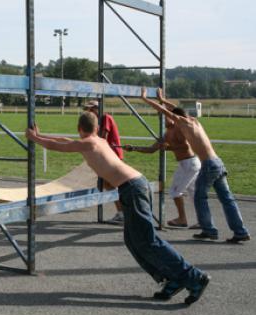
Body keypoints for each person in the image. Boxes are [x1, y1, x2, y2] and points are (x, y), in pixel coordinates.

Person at [26, 112, 210, 304]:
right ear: (96, 128)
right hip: (132, 187)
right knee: (132, 240)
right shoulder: (96, 141)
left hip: (133, 188)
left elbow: (59, 146)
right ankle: (172, 278)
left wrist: (34, 138)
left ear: (79, 129)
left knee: (148, 240)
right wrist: (42, 135)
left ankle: (194, 277)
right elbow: (65, 141)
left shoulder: (89, 143)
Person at [140, 88, 250, 243]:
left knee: (199, 197)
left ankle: (209, 230)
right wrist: (163, 99)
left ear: (177, 117)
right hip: (217, 162)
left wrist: (145, 99)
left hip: (208, 164)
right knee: (227, 199)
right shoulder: (194, 121)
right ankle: (240, 232)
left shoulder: (183, 123)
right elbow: (174, 109)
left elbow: (167, 112)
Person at [123, 97, 200, 228]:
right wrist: (133, 148)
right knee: (194, 193)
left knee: (175, 192)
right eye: (161, 118)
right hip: (187, 164)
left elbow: (187, 147)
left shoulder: (179, 129)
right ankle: (202, 221)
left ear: (173, 117)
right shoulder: (166, 134)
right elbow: (151, 150)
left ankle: (182, 219)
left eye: (165, 117)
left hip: (190, 163)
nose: (163, 120)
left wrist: (168, 147)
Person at [84, 100, 124, 223]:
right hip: (109, 155)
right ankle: (122, 211)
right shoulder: (101, 119)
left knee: (111, 184)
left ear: (98, 108)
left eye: (92, 109)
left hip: (111, 155)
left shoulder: (105, 117)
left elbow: (103, 138)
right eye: (88, 110)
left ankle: (122, 213)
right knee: (108, 184)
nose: (89, 112)